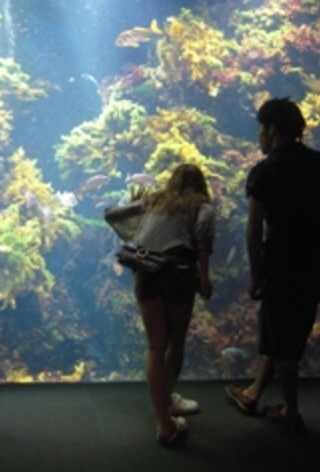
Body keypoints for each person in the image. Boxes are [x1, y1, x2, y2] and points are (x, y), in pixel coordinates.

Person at [225, 97, 320, 430]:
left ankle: (291, 411)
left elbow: (254, 231)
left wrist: (255, 275)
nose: (259, 136)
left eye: (260, 129)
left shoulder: (264, 172)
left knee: (284, 345)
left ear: (272, 130)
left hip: (279, 267)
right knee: (283, 331)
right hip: (313, 264)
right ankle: (253, 393)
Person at [105, 164, 215, 445]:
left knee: (155, 346)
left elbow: (112, 214)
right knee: (175, 342)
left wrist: (137, 232)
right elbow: (203, 239)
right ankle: (166, 406)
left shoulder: (154, 201)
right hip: (179, 271)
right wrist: (204, 277)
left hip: (146, 270)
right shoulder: (202, 206)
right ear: (200, 185)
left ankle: (164, 420)